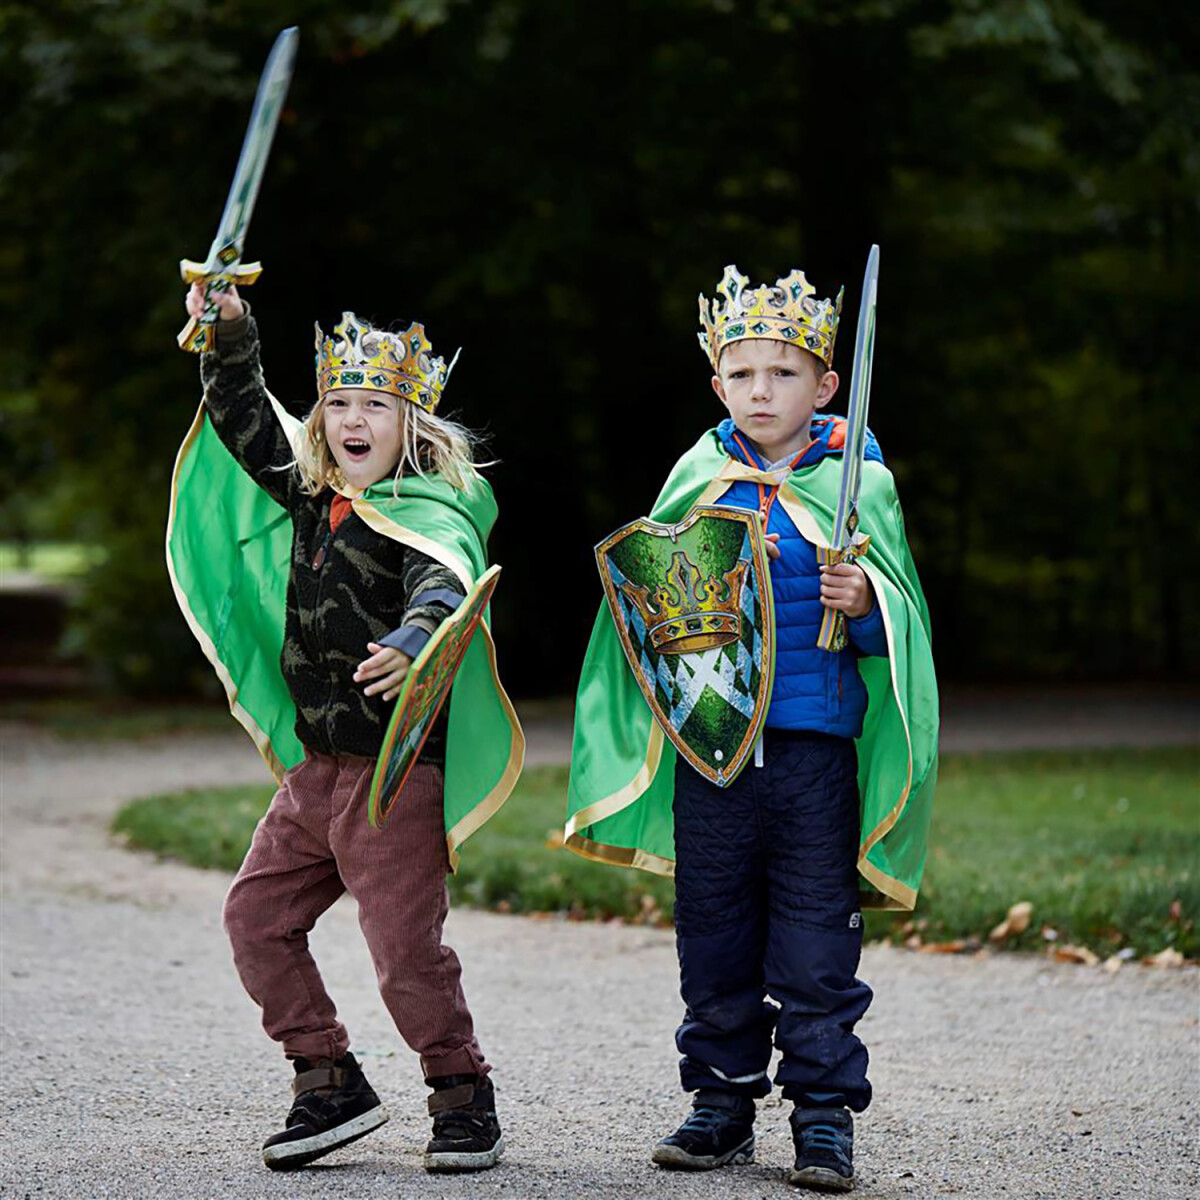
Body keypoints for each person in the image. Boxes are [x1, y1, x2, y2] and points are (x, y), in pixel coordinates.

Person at [564, 265, 938, 1191]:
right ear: (717, 384)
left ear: (825, 385)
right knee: (714, 933)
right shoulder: (699, 480)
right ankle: (722, 1103)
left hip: (814, 752)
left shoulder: (861, 487)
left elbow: (903, 626)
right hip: (716, 755)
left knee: (816, 943)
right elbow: (650, 600)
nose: (760, 392)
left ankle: (822, 1117)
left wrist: (863, 600)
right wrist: (722, 567)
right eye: (741, 375)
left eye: (782, 373)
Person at [168, 285, 524, 1173]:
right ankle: (326, 1076)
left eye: (375, 405)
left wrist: (416, 638)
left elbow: (444, 584)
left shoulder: (425, 513)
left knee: (405, 953)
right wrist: (231, 330)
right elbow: (246, 418)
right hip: (316, 774)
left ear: (413, 425)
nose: (353, 420)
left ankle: (461, 1091)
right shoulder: (309, 496)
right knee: (256, 917)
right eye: (338, 404)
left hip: (393, 777)